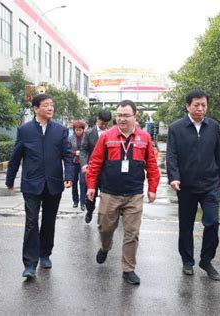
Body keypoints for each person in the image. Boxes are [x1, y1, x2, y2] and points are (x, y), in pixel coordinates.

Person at [86, 100, 160, 285]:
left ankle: (128, 269)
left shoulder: (144, 138)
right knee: (104, 227)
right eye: (119, 115)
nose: (121, 118)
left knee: (132, 233)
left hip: (134, 194)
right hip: (110, 193)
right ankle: (105, 246)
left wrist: (152, 188)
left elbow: (151, 164)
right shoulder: (107, 136)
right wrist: (91, 186)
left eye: (126, 115)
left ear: (135, 117)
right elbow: (95, 162)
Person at [5, 94, 73, 279]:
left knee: (49, 222)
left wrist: (69, 175)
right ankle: (29, 264)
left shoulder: (60, 130)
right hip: (31, 184)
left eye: (52, 105)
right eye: (46, 105)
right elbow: (16, 156)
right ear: (36, 108)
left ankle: (45, 254)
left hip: (53, 183)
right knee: (31, 223)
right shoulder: (25, 130)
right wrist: (10, 179)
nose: (50, 108)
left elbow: (67, 155)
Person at [166, 89, 220, 281]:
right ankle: (187, 261)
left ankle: (206, 260)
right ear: (187, 106)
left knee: (212, 222)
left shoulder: (213, 126)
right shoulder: (176, 128)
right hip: (186, 186)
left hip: (210, 185)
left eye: (203, 105)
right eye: (196, 105)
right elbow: (171, 155)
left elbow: (218, 154)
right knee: (186, 226)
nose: (200, 109)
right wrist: (174, 177)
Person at [79, 110, 112, 223]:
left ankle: (103, 217)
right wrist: (84, 164)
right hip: (92, 169)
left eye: (106, 124)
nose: (104, 126)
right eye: (102, 123)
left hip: (107, 171)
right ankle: (89, 211)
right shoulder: (88, 133)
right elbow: (83, 150)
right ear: (97, 120)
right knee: (90, 195)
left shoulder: (111, 133)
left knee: (107, 196)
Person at [68, 120, 87, 211]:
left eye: (80, 130)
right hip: (74, 163)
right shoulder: (70, 139)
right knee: (74, 182)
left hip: (84, 164)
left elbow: (89, 149)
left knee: (83, 183)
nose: (78, 132)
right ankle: (75, 201)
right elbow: (67, 151)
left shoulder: (87, 138)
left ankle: (83, 202)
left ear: (83, 130)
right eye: (77, 130)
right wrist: (75, 152)